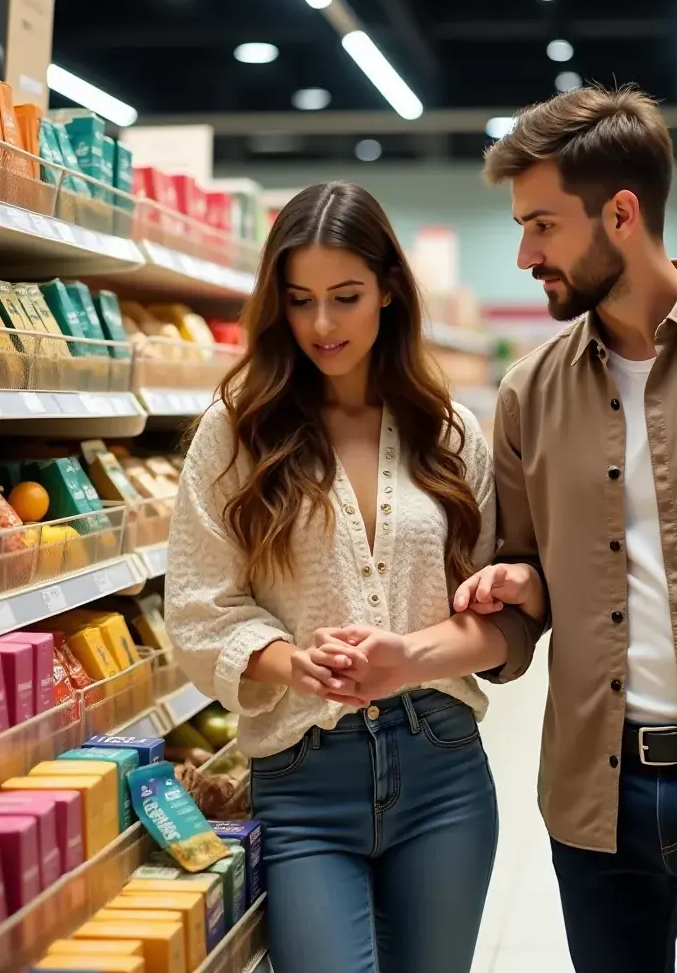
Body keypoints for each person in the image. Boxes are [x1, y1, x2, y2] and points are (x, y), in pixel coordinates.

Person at [307, 87, 677, 973]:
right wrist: (515, 588)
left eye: (543, 226)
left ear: (623, 214)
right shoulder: (530, 392)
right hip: (596, 799)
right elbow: (519, 592)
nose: (523, 254)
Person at [164, 182, 529, 973]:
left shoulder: (450, 433)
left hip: (442, 766)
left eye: (346, 297)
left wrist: (412, 656)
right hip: (302, 776)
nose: (322, 325)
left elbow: (500, 620)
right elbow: (199, 608)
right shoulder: (237, 433)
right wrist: (292, 662)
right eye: (299, 301)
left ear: (389, 290)